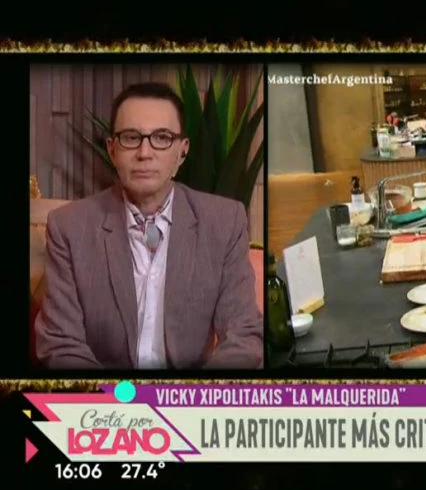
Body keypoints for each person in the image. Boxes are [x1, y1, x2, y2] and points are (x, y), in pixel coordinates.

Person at [35, 82, 264, 370]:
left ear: (182, 151)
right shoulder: (69, 227)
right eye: (131, 138)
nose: (145, 152)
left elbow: (244, 334)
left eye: (162, 138)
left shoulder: (224, 222)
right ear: (112, 149)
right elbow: (61, 343)